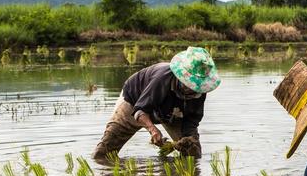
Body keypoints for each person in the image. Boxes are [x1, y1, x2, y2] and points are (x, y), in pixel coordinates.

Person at [92, 47, 220, 161]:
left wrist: (187, 139)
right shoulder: (161, 78)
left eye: (196, 87)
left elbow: (192, 119)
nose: (193, 89)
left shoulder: (201, 89)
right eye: (190, 85)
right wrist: (153, 129)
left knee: (193, 153)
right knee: (103, 153)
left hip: (172, 111)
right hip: (135, 103)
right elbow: (140, 110)